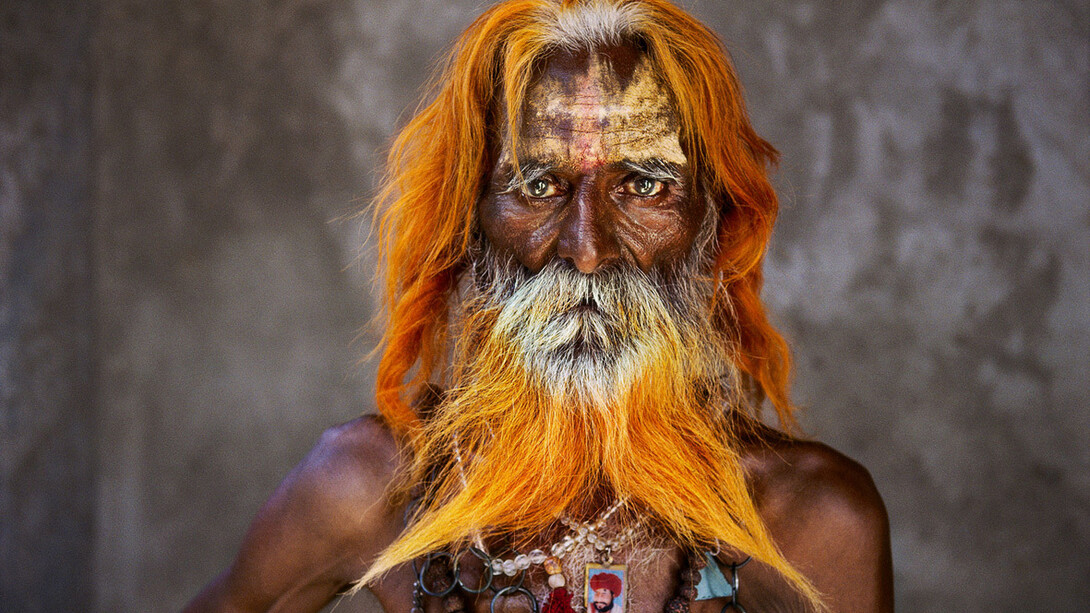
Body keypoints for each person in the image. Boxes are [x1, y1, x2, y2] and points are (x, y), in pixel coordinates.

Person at [185, 1, 893, 611]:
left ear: (712, 227)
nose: (587, 249)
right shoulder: (369, 486)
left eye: (645, 186)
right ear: (470, 221)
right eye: (536, 183)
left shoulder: (813, 522)